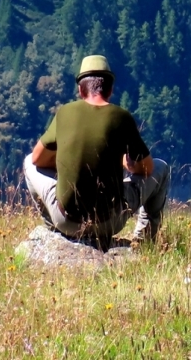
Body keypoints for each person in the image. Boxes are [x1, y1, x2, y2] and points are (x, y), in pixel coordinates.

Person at [23, 55, 170, 251]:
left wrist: (66, 166)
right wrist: (128, 165)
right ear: (110, 89)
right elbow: (149, 168)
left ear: (80, 89)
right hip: (110, 222)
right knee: (162, 168)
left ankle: (52, 227)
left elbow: (37, 159)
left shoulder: (65, 113)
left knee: (27, 163)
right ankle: (145, 240)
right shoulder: (122, 117)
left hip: (65, 220)